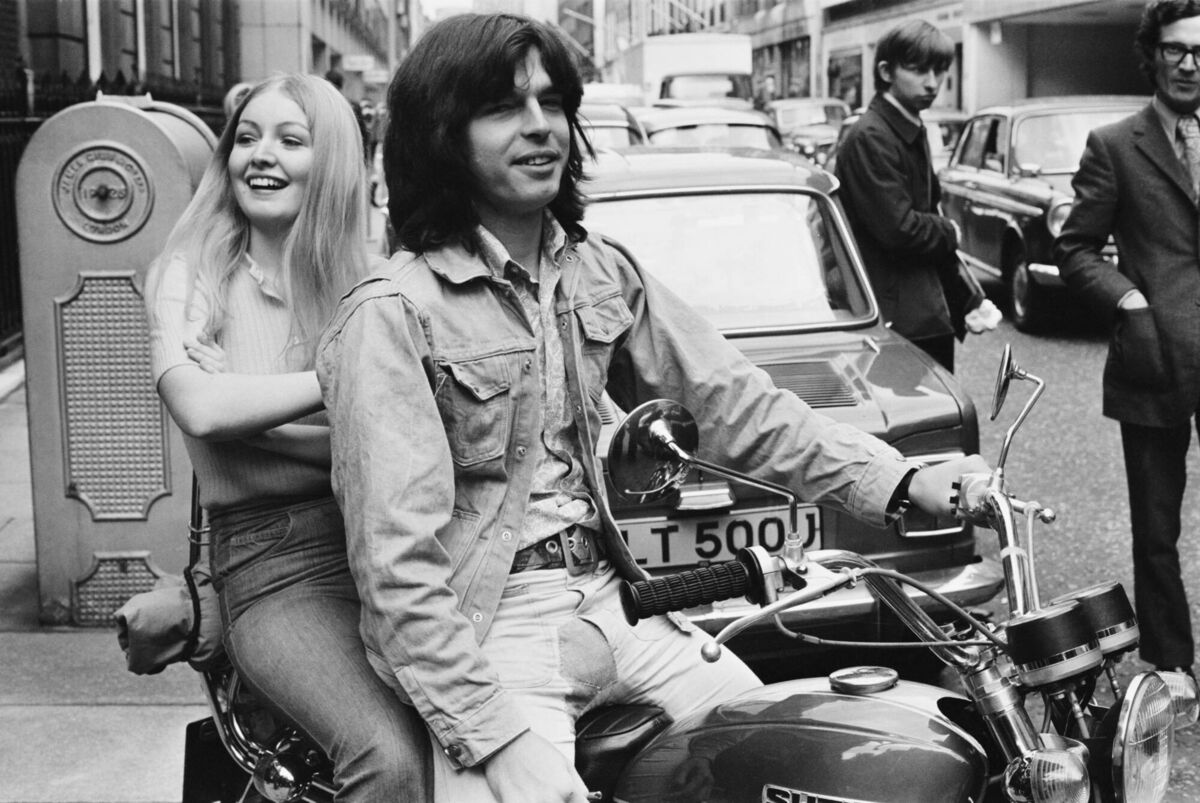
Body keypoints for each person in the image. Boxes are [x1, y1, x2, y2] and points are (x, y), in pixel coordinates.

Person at [316, 13, 988, 803]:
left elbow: (736, 403)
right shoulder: (393, 312)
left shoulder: (600, 269)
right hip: (487, 630)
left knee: (789, 756)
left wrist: (897, 482)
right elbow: (397, 570)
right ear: (443, 135)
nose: (540, 127)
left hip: (616, 601)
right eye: (503, 107)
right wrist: (494, 739)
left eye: (552, 102)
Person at [144, 74, 430, 799]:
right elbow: (203, 412)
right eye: (246, 136)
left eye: (290, 140)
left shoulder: (368, 279)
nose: (260, 155)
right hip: (271, 567)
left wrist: (260, 420)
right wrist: (340, 384)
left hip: (391, 549)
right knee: (387, 756)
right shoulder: (192, 273)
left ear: (330, 160)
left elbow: (409, 438)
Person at [1054, 0, 1200, 680]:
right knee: (1156, 530)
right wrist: (1129, 298)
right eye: (1175, 49)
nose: (1190, 63)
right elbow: (1077, 248)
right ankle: (1172, 664)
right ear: (1153, 55)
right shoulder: (1114, 144)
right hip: (1155, 356)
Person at [833, 20, 998, 372]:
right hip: (897, 318)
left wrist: (967, 298)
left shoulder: (907, 126)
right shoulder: (872, 137)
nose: (932, 83)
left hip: (916, 313)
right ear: (886, 71)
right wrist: (950, 231)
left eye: (939, 71)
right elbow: (900, 229)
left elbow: (925, 215)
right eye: (919, 69)